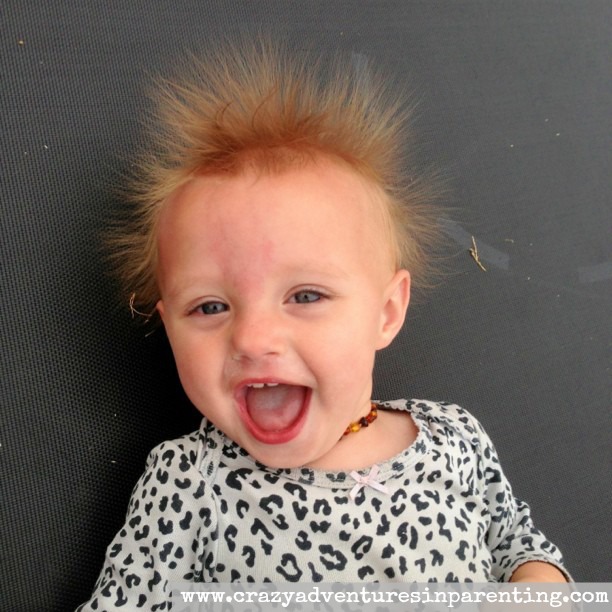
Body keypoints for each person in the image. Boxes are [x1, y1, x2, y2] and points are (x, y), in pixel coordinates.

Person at [78, 40, 569, 610]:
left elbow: (515, 541)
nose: (253, 339)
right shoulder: (189, 480)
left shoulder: (452, 437)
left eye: (305, 295)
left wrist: (541, 586)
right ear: (168, 328)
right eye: (210, 307)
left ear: (386, 312)